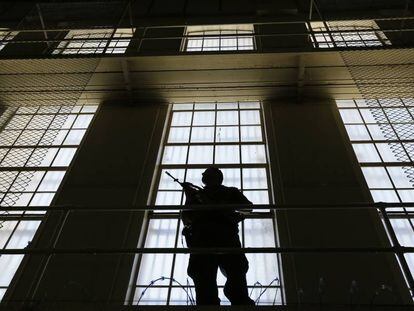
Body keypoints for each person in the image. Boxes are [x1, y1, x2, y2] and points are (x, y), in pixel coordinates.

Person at [181, 166, 255, 305]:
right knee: (203, 280)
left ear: (218, 177)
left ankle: (240, 302)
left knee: (236, 275)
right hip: (203, 239)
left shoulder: (230, 192)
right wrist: (189, 196)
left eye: (210, 175)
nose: (206, 177)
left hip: (226, 238)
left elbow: (247, 208)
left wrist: (224, 209)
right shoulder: (196, 195)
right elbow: (186, 217)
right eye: (205, 175)